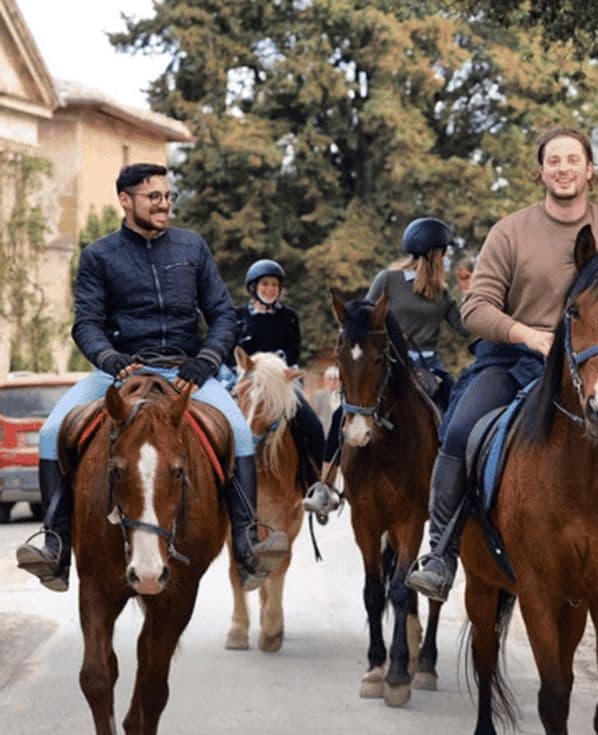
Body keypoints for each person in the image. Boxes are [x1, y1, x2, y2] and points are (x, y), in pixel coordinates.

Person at [406, 126, 598, 603]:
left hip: (596, 366)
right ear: (540, 171)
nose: (563, 168)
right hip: (512, 361)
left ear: (589, 171)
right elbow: (476, 308)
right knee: (460, 431)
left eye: (572, 160)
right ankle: (441, 555)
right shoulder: (510, 231)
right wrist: (527, 335)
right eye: (553, 161)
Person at [16, 162, 285, 592]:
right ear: (125, 201)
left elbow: (220, 315)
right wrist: (111, 360)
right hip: (120, 371)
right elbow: (85, 323)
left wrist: (206, 361)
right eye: (153, 197)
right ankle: (56, 546)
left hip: (187, 372)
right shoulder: (99, 255)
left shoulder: (193, 248)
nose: (164, 205)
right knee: (50, 434)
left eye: (167, 197)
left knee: (240, 431)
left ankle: (248, 543)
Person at [302, 216, 470, 521]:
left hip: (430, 367)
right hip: (391, 366)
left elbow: (465, 328)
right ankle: (324, 486)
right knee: (346, 412)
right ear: (432, 253)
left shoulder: (443, 294)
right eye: (442, 252)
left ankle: (457, 486)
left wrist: (475, 300)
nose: (444, 259)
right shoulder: (388, 281)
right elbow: (360, 322)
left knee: (458, 408)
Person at [226, 258, 324, 490]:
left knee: (313, 426)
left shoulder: (288, 316)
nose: (270, 289)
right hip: (246, 380)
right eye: (265, 284)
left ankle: (315, 483)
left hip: (280, 382)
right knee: (220, 421)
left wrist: (277, 367)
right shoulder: (238, 316)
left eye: (274, 285)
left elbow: (294, 350)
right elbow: (229, 353)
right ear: (253, 288)